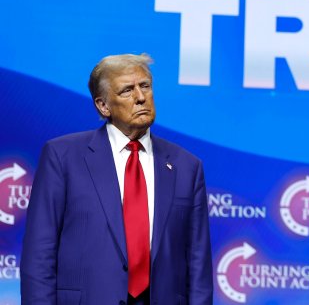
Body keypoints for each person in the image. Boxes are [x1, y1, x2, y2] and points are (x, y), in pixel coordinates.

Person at [21, 54, 212, 304]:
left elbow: (198, 265)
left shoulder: (187, 166)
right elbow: (39, 254)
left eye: (145, 86)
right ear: (103, 105)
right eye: (127, 90)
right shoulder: (63, 157)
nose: (141, 97)